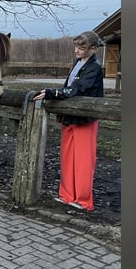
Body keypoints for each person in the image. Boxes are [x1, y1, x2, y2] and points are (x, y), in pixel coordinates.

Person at [33, 30, 104, 211]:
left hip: (84, 118)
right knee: (67, 156)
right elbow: (69, 86)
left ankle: (82, 200)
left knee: (82, 160)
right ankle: (67, 195)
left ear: (93, 48)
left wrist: (52, 93)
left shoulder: (94, 67)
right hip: (69, 116)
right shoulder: (78, 63)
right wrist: (52, 93)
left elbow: (78, 89)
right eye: (76, 47)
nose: (77, 50)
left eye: (82, 47)